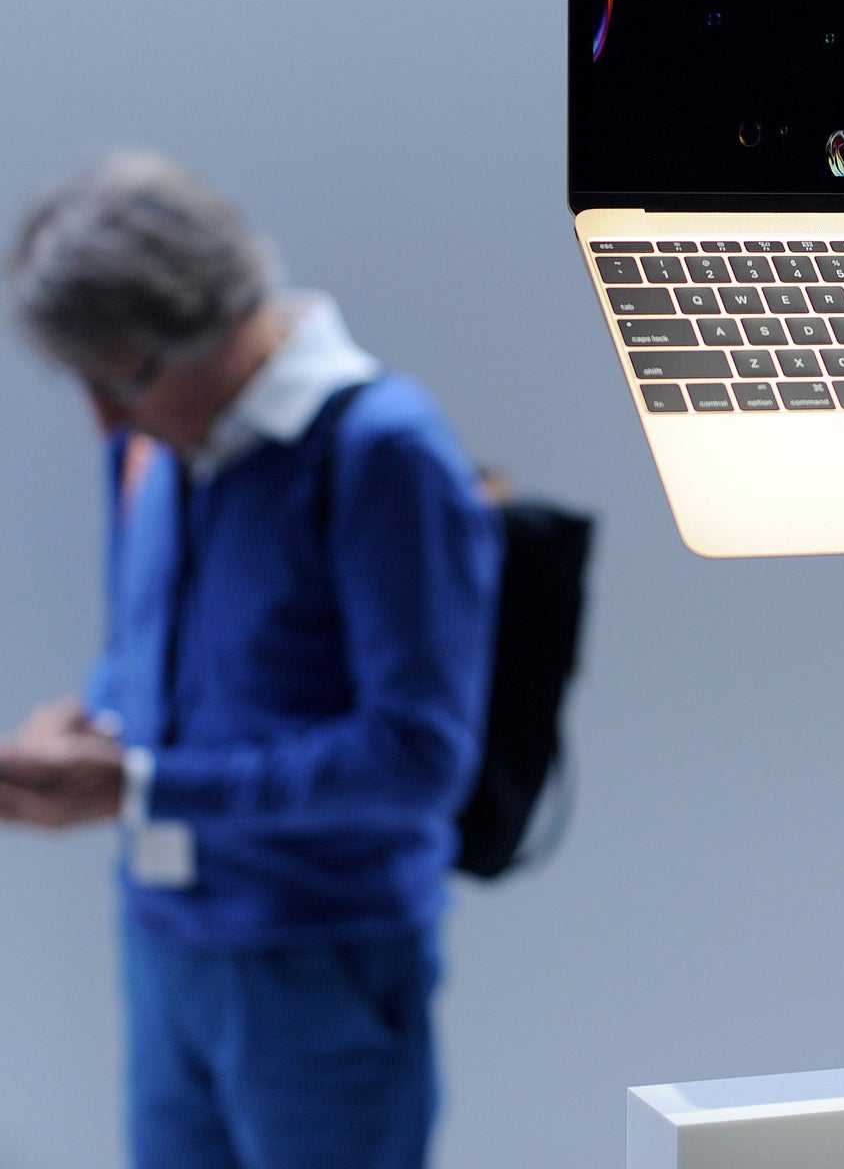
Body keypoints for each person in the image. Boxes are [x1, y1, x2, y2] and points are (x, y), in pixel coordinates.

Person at [0, 151, 501, 1169]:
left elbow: (418, 756)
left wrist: (140, 782)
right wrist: (89, 735)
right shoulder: (148, 442)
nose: (101, 418)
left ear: (212, 329)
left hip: (318, 954)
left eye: (121, 375)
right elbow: (142, 651)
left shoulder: (378, 451)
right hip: (163, 942)